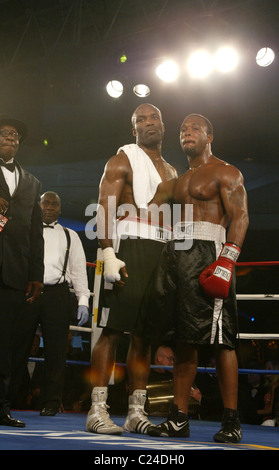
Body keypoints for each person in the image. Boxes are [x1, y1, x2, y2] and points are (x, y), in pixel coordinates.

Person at [140, 113, 249, 443]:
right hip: (177, 253)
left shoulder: (225, 171)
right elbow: (146, 212)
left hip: (210, 251)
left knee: (222, 340)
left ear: (209, 136)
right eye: (183, 130)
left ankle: (231, 420)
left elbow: (240, 216)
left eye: (194, 129)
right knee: (183, 339)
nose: (186, 133)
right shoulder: (175, 180)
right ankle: (178, 418)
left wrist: (227, 260)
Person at [86, 103, 177, 435]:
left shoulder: (170, 171)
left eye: (155, 117)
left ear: (163, 125)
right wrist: (107, 252)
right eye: (142, 119)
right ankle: (97, 409)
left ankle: (135, 412)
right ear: (133, 129)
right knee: (112, 331)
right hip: (128, 246)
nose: (149, 122)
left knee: (145, 336)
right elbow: (104, 208)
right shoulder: (122, 159)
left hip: (161, 250)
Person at [9, 191, 90, 416]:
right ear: (39, 206)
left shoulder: (70, 235)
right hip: (27, 292)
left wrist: (83, 299)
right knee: (18, 347)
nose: (50, 207)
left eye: (54, 204)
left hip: (57, 294)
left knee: (56, 351)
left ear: (60, 209)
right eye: (46, 203)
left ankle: (52, 402)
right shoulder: (25, 231)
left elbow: (78, 270)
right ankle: (9, 400)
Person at [0, 114, 44, 427]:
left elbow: (35, 232)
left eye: (14, 135)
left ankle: (1, 407)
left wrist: (36, 274)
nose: (10, 139)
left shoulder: (31, 183)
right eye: (4, 134)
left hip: (15, 272)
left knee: (7, 344)